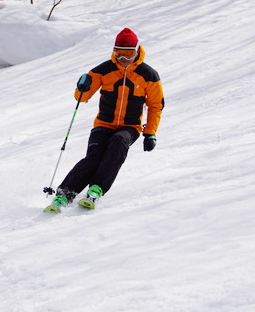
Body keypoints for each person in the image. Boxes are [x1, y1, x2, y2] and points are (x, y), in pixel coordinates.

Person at [45, 28, 165, 212]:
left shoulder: (148, 75)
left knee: (118, 144)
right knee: (94, 157)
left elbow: (155, 105)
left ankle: (96, 189)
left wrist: (150, 133)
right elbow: (81, 98)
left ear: (137, 51)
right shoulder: (103, 70)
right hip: (103, 124)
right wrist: (82, 87)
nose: (124, 59)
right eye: (119, 54)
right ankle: (64, 194)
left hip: (130, 127)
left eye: (128, 54)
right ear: (114, 51)